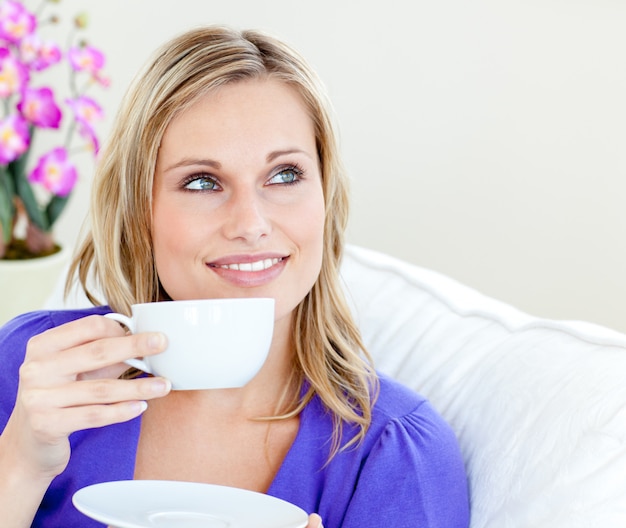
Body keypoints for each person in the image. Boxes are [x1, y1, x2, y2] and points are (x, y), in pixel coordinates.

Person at [0, 26, 470, 528]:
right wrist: (20, 464)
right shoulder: (35, 373)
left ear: (326, 198)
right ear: (139, 210)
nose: (250, 224)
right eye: (202, 182)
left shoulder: (396, 457)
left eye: (285, 175)